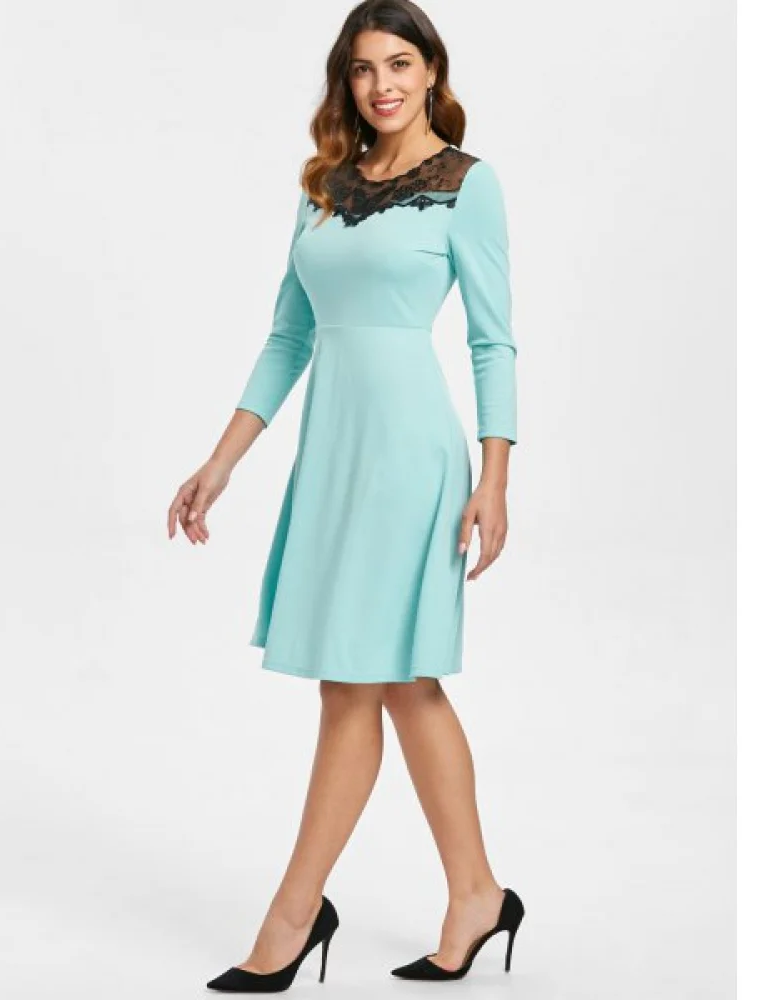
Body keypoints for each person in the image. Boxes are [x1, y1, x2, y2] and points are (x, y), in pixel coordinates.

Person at [167, 1, 524, 991]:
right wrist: (222, 461)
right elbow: (289, 336)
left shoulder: (467, 184)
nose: (382, 85)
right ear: (346, 81)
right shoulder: (323, 185)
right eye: (364, 68)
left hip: (411, 455)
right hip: (332, 453)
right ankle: (477, 893)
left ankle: (293, 914)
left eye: (400, 63)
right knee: (403, 680)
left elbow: (493, 340)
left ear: (431, 70)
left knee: (354, 682)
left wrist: (495, 475)